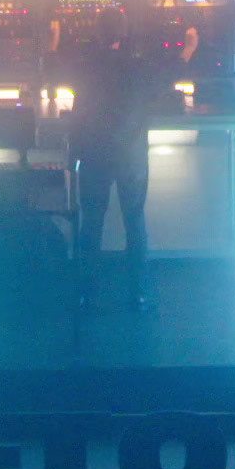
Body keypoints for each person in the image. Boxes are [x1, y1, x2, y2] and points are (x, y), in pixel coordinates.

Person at [61, 20, 157, 311]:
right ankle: (139, 294)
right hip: (130, 155)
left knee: (92, 222)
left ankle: (88, 294)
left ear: (97, 35)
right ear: (123, 35)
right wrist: (188, 50)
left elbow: (77, 111)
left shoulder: (85, 68)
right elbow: (158, 91)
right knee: (135, 221)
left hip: (95, 153)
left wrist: (73, 153)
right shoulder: (139, 67)